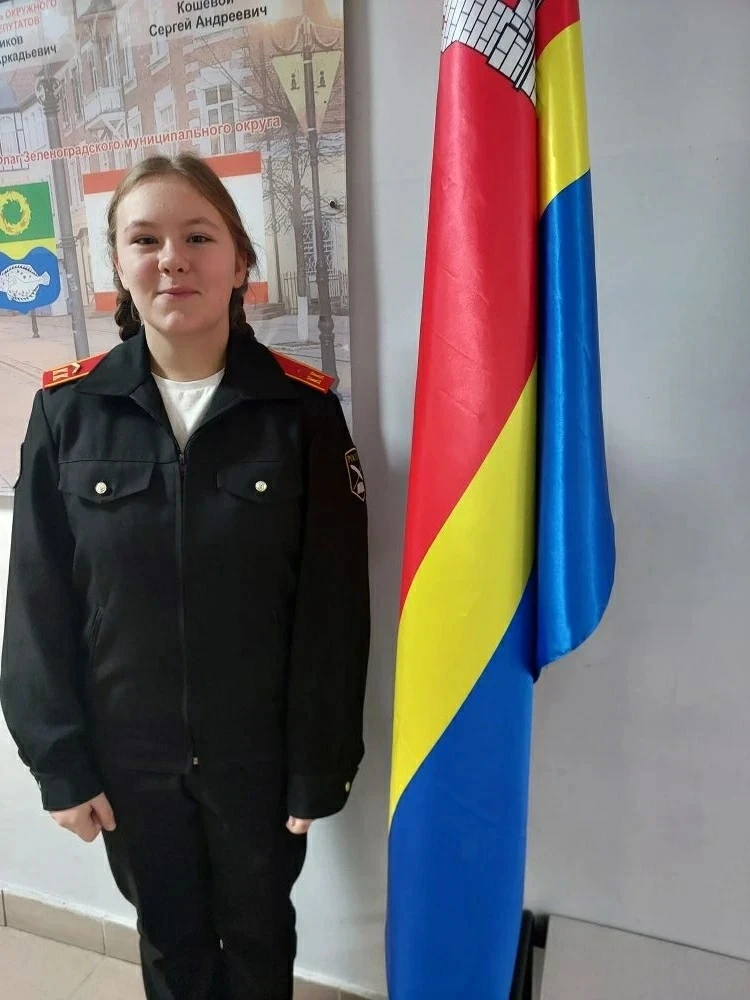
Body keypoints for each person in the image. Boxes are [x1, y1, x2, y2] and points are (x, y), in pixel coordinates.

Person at [0, 153, 370, 1000]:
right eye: (146, 240)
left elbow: (333, 610)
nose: (173, 259)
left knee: (259, 935)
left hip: (258, 756)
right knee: (169, 941)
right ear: (119, 266)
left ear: (240, 263)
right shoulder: (67, 412)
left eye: (198, 237)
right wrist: (61, 763)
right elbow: (37, 604)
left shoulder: (302, 411)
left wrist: (319, 762)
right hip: (128, 756)